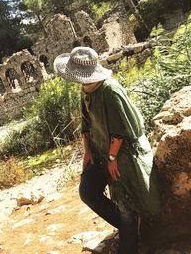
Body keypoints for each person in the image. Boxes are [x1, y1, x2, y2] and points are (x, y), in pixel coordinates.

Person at [54, 47, 161, 254]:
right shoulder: (86, 89)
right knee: (87, 191)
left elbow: (120, 129)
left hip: (123, 153)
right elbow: (86, 124)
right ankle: (128, 226)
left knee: (124, 204)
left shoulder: (110, 90)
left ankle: (130, 232)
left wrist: (112, 158)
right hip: (100, 151)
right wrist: (87, 152)